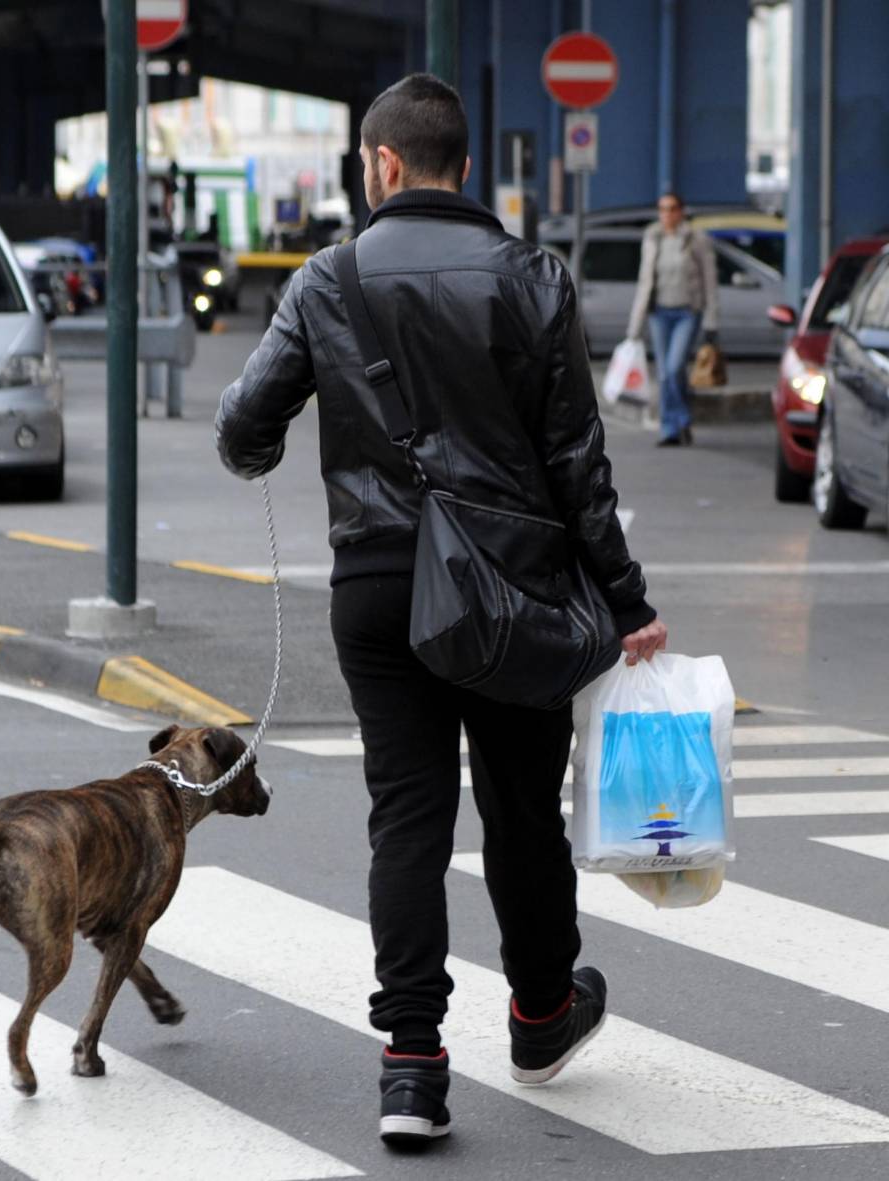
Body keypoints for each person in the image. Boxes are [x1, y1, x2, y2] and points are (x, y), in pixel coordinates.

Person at [214, 73, 666, 1149]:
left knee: (406, 817)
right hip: (514, 589)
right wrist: (626, 597)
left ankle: (411, 1065)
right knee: (519, 812)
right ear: (464, 165)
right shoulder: (534, 277)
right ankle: (543, 1013)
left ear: (379, 164)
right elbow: (576, 465)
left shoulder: (328, 278)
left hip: (378, 586)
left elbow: (243, 427)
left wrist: (281, 437)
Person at [625, 192, 720, 446]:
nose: (667, 214)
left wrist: (711, 321)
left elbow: (710, 282)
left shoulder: (696, 239)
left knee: (675, 366)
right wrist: (634, 327)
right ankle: (673, 426)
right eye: (662, 209)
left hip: (687, 312)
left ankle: (680, 419)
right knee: (666, 374)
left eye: (672, 208)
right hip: (660, 313)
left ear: (681, 211)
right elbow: (644, 281)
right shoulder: (652, 237)